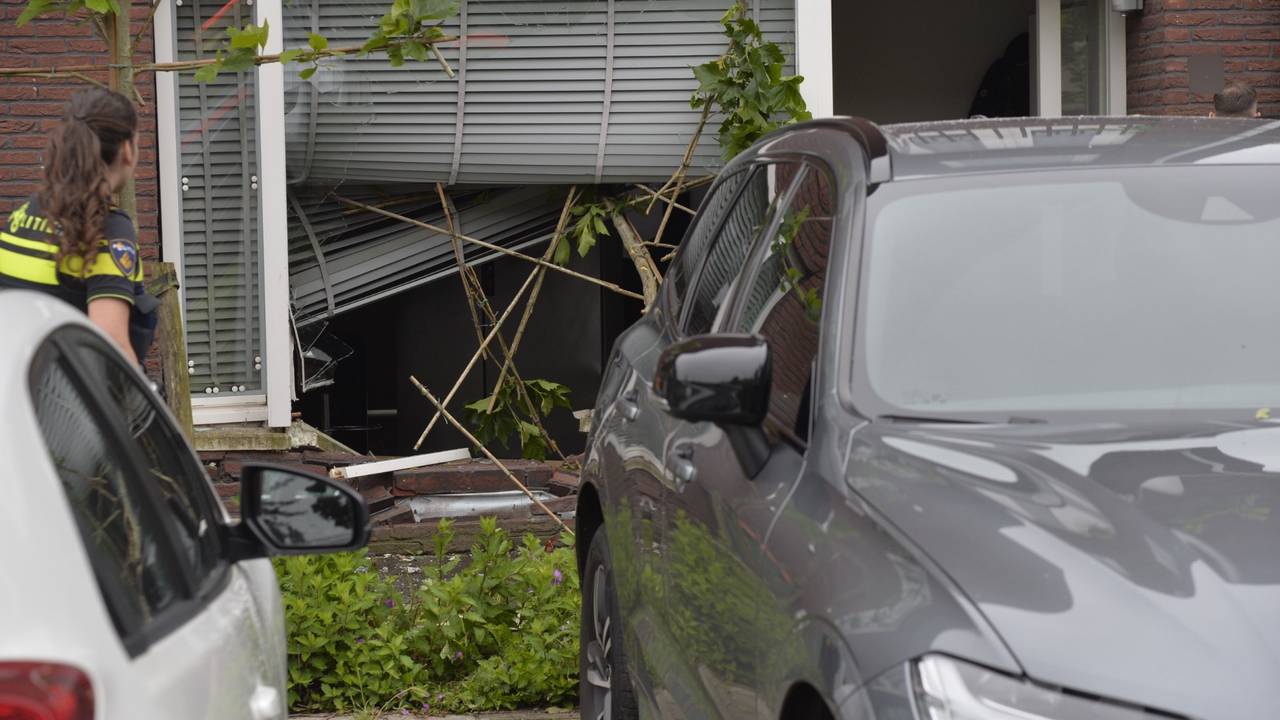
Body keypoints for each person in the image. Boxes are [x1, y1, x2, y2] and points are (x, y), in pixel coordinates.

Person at [0, 87, 157, 366]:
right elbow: (112, 352)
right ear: (126, 150)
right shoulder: (108, 228)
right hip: (68, 405)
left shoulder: (26, 212)